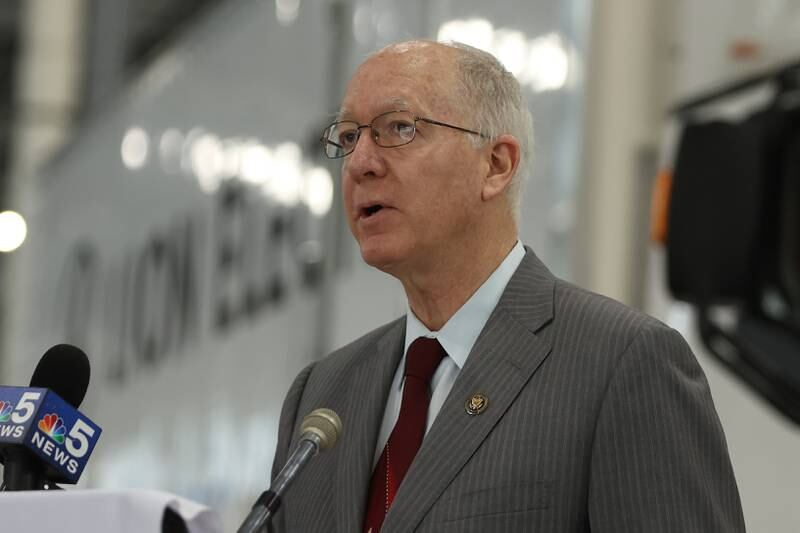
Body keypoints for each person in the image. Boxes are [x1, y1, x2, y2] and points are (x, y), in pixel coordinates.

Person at [269, 40, 745, 532]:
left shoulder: (622, 362)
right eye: (348, 137)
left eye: (400, 128)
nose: (360, 163)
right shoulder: (322, 395)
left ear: (496, 165)